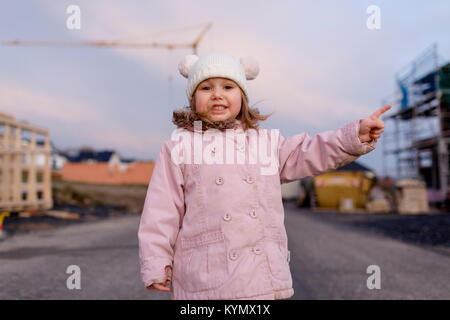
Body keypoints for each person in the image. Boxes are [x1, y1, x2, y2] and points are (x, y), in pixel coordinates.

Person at [138, 52, 389, 300]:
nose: (217, 94)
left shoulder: (266, 144)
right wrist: (156, 262)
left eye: (227, 86)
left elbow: (310, 152)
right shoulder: (179, 147)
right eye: (206, 88)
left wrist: (354, 136)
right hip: (205, 281)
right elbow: (161, 210)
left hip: (262, 279)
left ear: (242, 97)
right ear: (193, 99)